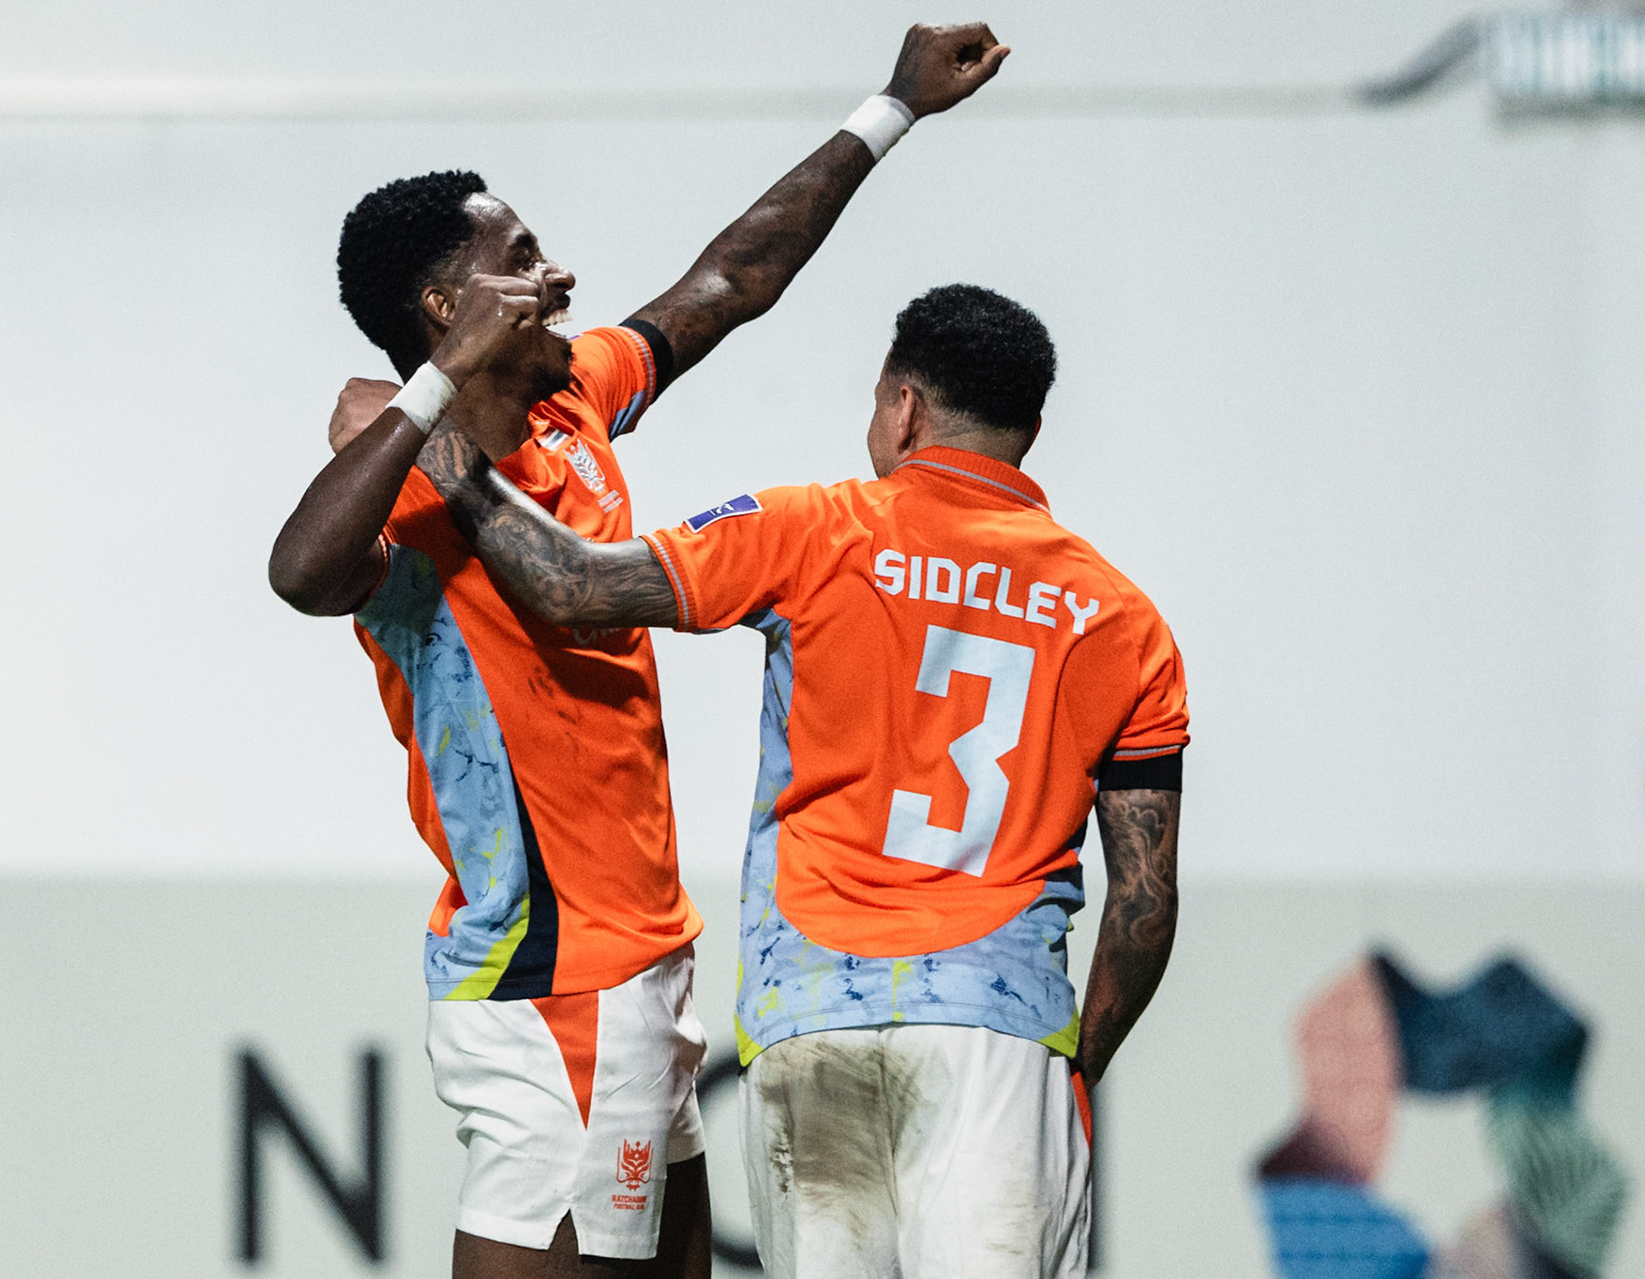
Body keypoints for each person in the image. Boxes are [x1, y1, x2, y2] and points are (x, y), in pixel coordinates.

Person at [266, 27, 1010, 1279]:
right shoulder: (407, 494)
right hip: (553, 979)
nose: (559, 277)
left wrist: (893, 107)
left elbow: (729, 282)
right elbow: (298, 573)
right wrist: (430, 391)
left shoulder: (570, 401)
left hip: (645, 967)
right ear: (450, 309)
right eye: (521, 260)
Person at [416, 284, 1188, 1279]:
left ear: (902, 405)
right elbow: (1146, 902)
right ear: (1030, 429)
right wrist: (1076, 1064)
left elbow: (573, 586)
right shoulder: (1119, 617)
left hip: (812, 1021)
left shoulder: (812, 530)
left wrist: (457, 471)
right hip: (998, 1029)